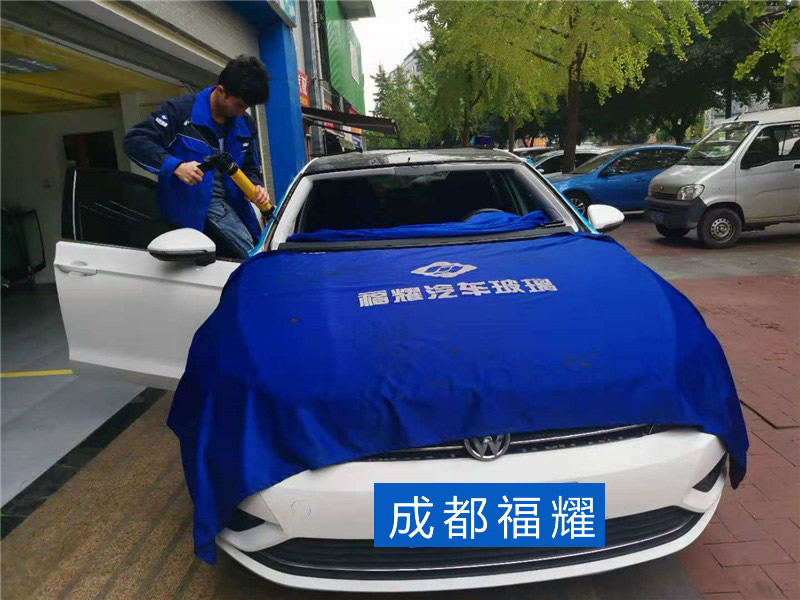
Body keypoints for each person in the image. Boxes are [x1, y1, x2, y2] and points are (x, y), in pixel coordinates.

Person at [123, 55, 271, 258]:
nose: (241, 112)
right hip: (187, 222)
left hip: (237, 215)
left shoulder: (245, 124)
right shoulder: (179, 112)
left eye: (245, 108)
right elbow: (135, 141)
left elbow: (250, 168)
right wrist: (175, 166)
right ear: (221, 91)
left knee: (253, 259)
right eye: (239, 105)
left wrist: (256, 186)